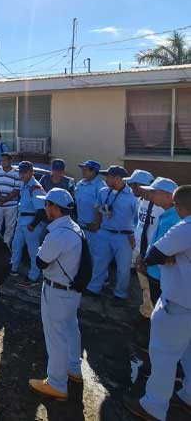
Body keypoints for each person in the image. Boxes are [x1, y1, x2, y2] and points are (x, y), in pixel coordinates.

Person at [125, 185, 191, 421]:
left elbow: (154, 254)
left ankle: (153, 406)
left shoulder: (185, 227)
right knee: (188, 354)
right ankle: (188, 397)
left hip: (179, 303)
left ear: (180, 206)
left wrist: (167, 257)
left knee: (163, 356)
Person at [28, 188, 83, 401]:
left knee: (55, 338)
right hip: (70, 291)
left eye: (47, 205)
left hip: (57, 290)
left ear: (56, 209)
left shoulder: (58, 234)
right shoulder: (74, 227)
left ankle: (57, 384)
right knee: (70, 330)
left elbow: (41, 261)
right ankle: (74, 369)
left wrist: (41, 249)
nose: (44, 208)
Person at [87, 166, 137, 300]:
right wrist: (97, 223)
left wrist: (134, 235)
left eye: (108, 176)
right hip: (104, 232)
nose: (105, 179)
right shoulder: (103, 191)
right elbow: (97, 208)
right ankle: (94, 288)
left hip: (124, 236)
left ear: (118, 178)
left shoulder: (132, 195)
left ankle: (120, 293)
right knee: (99, 262)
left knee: (123, 268)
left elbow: (137, 219)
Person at [136, 178, 180, 311]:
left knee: (164, 311)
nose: (151, 195)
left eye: (155, 192)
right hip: (155, 271)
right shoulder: (167, 214)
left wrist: (148, 262)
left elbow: (170, 252)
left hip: (163, 276)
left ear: (168, 196)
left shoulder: (176, 218)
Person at [126, 170, 162, 319]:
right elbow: (137, 221)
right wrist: (133, 235)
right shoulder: (140, 201)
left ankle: (156, 315)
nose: (132, 189)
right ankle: (147, 311)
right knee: (144, 284)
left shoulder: (161, 206)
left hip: (155, 253)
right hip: (140, 249)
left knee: (155, 285)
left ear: (143, 186)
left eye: (134, 185)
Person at [10, 161, 46, 285]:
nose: (22, 175)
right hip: (21, 221)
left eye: (24, 172)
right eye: (20, 172)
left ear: (31, 172)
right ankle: (13, 269)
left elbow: (41, 210)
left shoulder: (35, 187)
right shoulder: (24, 185)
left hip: (31, 222)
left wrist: (33, 224)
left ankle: (33, 276)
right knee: (16, 247)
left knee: (33, 252)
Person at [74, 160, 105, 265]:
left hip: (94, 227)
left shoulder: (100, 186)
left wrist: (97, 223)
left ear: (93, 172)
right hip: (81, 225)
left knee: (96, 254)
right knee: (82, 253)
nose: (83, 171)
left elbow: (101, 206)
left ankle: (101, 279)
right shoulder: (80, 184)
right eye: (82, 169)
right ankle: (86, 277)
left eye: (86, 170)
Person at [0, 152, 20, 245]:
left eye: (5, 160)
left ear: (10, 160)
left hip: (11, 206)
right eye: (1, 160)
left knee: (10, 227)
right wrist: (0, 197)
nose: (3, 162)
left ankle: (6, 246)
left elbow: (17, 190)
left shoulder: (17, 173)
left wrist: (5, 199)